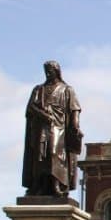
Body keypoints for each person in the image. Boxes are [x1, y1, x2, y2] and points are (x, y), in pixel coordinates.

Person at [22, 60, 83, 197]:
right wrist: (43, 115)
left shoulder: (67, 89)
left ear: (57, 71)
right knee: (40, 156)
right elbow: (30, 107)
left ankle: (57, 183)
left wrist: (75, 125)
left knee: (54, 153)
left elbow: (75, 109)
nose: (48, 73)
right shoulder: (39, 89)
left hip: (59, 127)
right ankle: (41, 185)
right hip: (41, 127)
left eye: (50, 70)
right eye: (46, 71)